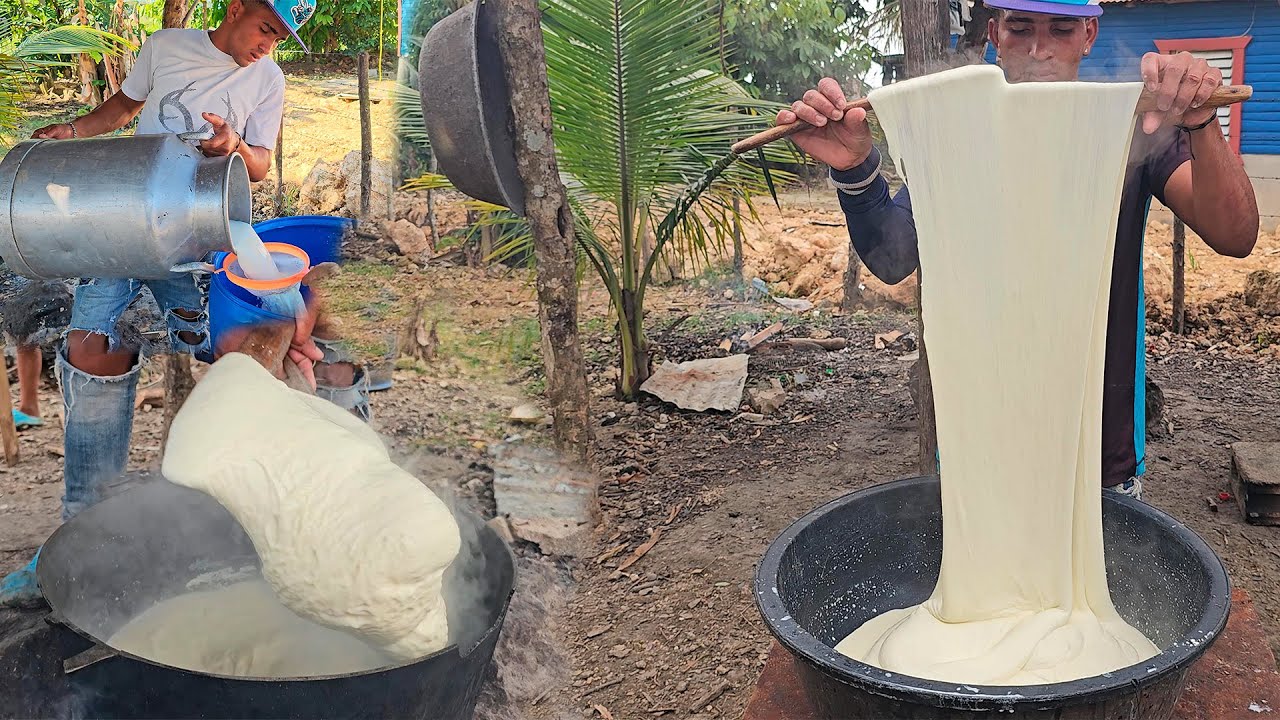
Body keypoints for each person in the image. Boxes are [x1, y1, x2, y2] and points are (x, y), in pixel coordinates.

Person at [780, 0, 1258, 501]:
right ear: (994, 34)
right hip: (978, 441)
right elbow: (894, 258)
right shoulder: (959, 136)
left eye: (1061, 30)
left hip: (1098, 445)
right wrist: (855, 169)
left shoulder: (1131, 128)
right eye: (1021, 28)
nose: (1039, 49)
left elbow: (1235, 235)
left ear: (1089, 34)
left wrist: (1202, 123)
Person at [0, 0, 343, 607]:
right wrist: (74, 130)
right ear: (236, 7)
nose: (269, 44)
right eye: (265, 27)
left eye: (281, 37)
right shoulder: (166, 46)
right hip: (123, 226)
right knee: (93, 349)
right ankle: (85, 529)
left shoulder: (268, 79)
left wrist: (234, 145)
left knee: (247, 352)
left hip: (203, 235)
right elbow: (124, 108)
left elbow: (260, 166)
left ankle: (258, 525)